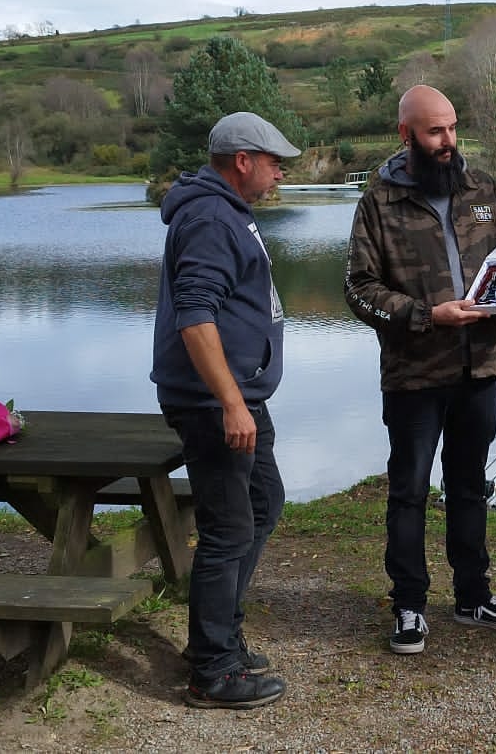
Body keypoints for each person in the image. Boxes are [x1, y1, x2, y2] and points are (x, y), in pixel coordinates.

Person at [344, 85, 496, 655]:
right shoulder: (378, 201)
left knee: (469, 485)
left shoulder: (482, 188)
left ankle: (474, 595)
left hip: (481, 367)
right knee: (408, 491)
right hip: (414, 374)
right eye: (435, 132)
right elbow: (360, 290)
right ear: (406, 135)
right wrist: (427, 315)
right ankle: (408, 605)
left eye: (452, 128)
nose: (448, 142)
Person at [152, 112, 299, 710]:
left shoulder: (227, 211)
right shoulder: (212, 217)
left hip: (236, 396)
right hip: (214, 403)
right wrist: (231, 403)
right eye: (273, 162)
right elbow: (195, 314)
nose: (279, 171)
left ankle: (221, 638)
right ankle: (212, 670)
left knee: (264, 503)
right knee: (228, 528)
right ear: (242, 160)